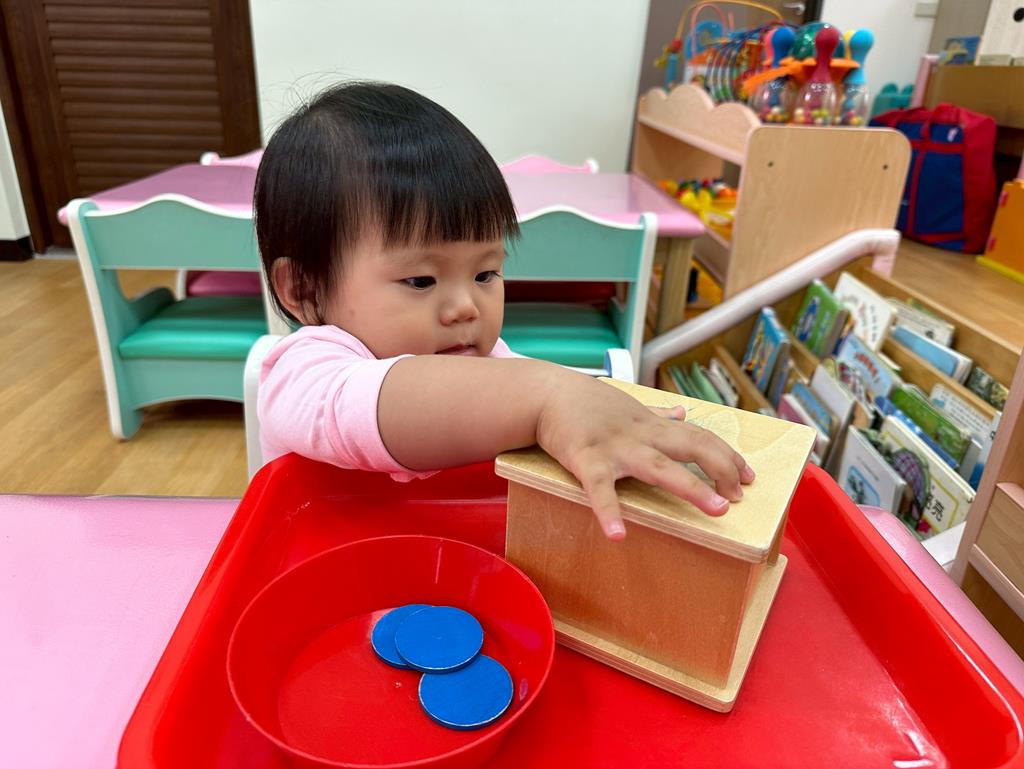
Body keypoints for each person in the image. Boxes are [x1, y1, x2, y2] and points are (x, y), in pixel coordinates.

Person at [254, 81, 754, 541]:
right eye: (421, 280)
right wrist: (549, 396)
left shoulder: (488, 362)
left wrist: (597, 420)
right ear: (305, 290)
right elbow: (373, 405)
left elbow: (535, 406)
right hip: (319, 584)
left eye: (485, 274)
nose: (465, 307)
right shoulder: (304, 372)